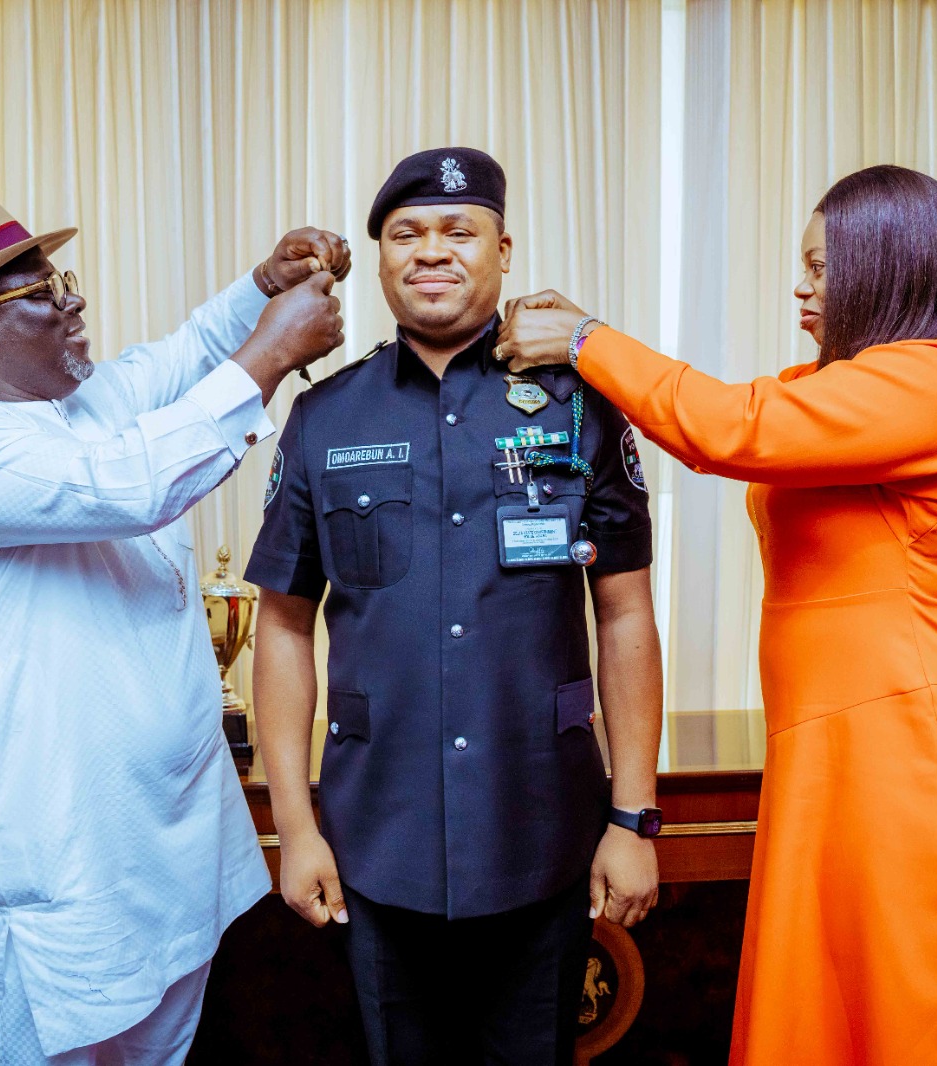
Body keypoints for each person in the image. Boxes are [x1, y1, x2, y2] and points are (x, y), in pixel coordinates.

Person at [494, 164, 937, 1065]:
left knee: (919, 1018)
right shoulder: (850, 383)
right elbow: (720, 414)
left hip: (909, 752)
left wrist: (587, 336)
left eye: (822, 265)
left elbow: (732, 426)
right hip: (837, 750)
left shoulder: (933, 380)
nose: (801, 286)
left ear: (889, 267)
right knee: (836, 1018)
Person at [0, 191, 348, 1065]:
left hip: (168, 838)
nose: (73, 301)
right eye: (45, 292)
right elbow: (130, 487)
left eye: (63, 279)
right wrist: (276, 351)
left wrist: (262, 286)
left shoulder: (80, 400)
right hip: (64, 853)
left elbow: (188, 356)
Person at [245, 147, 664, 1066]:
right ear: (383, 260)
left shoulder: (580, 404)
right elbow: (281, 626)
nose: (431, 250)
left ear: (503, 250)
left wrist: (633, 821)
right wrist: (296, 828)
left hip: (543, 834)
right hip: (374, 849)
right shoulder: (326, 418)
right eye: (406, 234)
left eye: (457, 230)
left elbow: (626, 613)